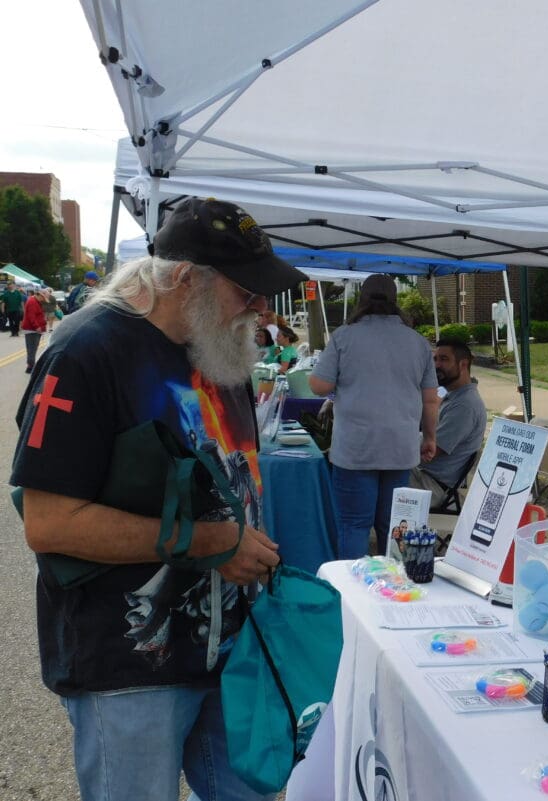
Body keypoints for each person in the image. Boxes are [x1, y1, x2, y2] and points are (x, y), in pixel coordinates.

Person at [11, 197, 307, 801]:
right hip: (129, 665)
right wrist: (211, 543)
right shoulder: (86, 352)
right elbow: (48, 522)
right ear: (183, 278)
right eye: (246, 290)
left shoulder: (219, 349)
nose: (260, 308)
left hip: (232, 654)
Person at [309, 273, 439, 558]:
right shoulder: (417, 342)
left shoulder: (344, 336)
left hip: (356, 448)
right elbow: (431, 399)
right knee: (393, 526)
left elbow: (320, 386)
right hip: (400, 447)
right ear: (395, 301)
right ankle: (391, 593)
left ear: (361, 299)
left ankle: (353, 594)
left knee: (354, 525)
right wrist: (429, 437)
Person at [408, 339, 487, 507]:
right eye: (435, 359)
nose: (436, 365)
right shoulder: (451, 394)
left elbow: (431, 451)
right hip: (423, 475)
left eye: (444, 359)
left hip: (431, 485)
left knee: (369, 476)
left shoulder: (465, 405)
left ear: (463, 364)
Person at [20, 287, 47, 373]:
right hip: (32, 329)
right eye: (43, 298)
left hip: (34, 329)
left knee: (33, 348)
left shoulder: (36, 301)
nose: (43, 300)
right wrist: (37, 326)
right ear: (39, 295)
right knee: (32, 348)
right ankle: (30, 367)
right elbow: (31, 316)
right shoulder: (32, 302)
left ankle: (31, 365)